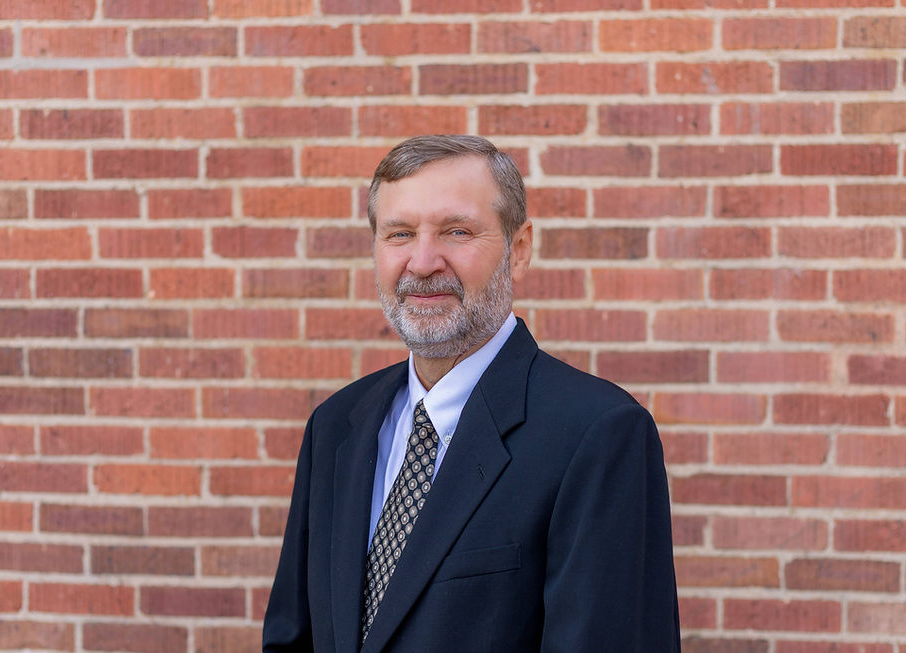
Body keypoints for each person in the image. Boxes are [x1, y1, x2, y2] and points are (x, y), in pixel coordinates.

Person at [263, 135, 680, 652]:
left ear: (519, 250)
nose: (421, 262)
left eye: (456, 231)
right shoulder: (337, 425)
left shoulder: (598, 435)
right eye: (399, 233)